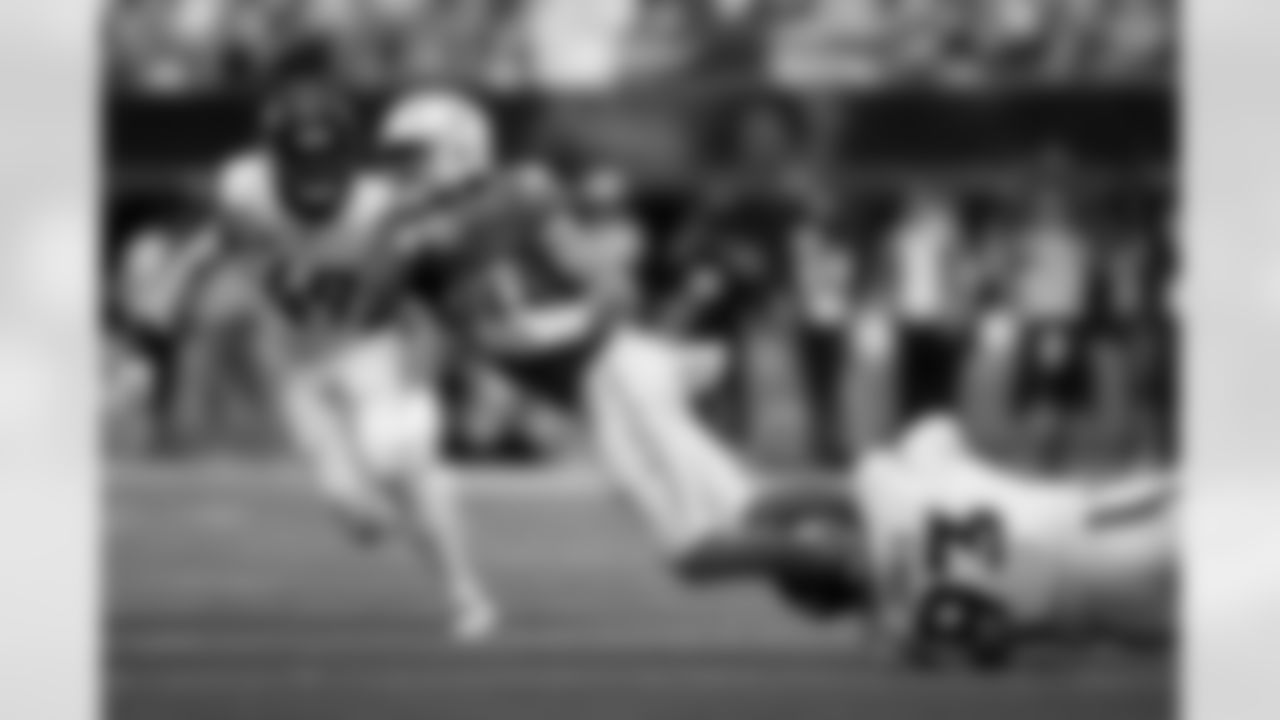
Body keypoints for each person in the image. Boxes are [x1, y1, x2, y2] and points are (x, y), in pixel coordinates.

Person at [375, 89, 867, 618]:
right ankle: (880, 505)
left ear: (459, 148)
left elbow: (606, 283)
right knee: (751, 508)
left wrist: (574, 317)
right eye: (399, 160)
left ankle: (860, 561)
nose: (403, 172)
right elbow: (399, 297)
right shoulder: (418, 237)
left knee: (692, 551)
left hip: (609, 373)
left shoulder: (512, 197)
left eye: (412, 156)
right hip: (607, 380)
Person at [183, 67, 499, 642]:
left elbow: (434, 291)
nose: (315, 177)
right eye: (300, 160)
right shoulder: (242, 190)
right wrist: (191, 275)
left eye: (326, 159)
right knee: (357, 516)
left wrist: (422, 368)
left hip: (369, 348)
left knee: (404, 466)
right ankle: (403, 523)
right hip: (291, 361)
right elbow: (222, 240)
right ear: (274, 157)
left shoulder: (387, 205)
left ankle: (463, 590)